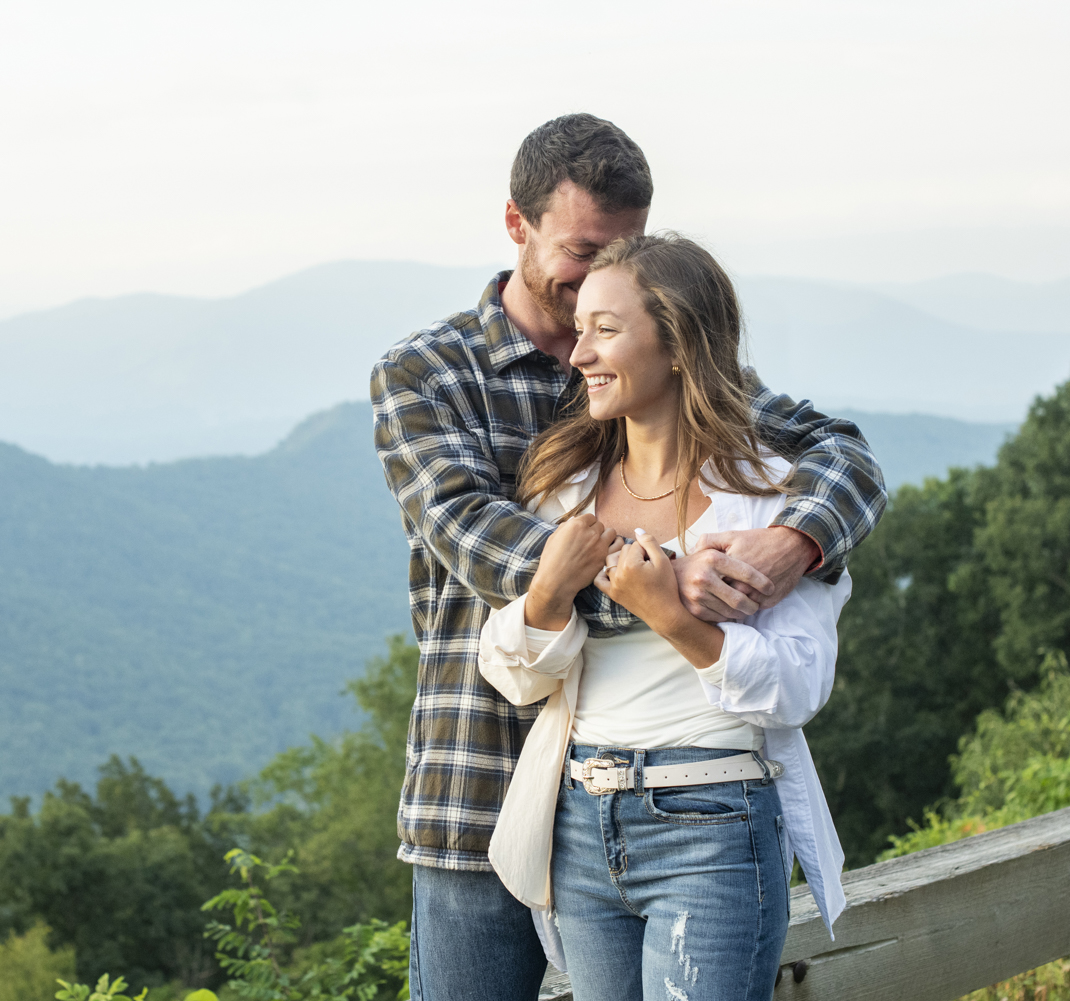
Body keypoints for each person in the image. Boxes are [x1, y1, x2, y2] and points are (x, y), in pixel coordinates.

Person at [371, 113, 885, 1001]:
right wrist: (668, 582)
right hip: (484, 776)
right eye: (581, 250)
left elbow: (843, 455)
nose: (595, 290)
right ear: (515, 225)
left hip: (657, 790)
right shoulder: (429, 374)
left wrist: (794, 541)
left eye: (629, 250)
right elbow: (475, 539)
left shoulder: (655, 346)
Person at [478, 233, 848, 1001]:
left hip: (713, 818)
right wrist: (548, 592)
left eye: (605, 330)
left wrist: (672, 615)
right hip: (581, 821)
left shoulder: (774, 499)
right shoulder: (563, 485)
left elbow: (798, 688)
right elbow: (511, 674)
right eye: (579, 330)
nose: (578, 355)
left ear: (678, 342)